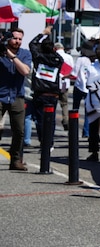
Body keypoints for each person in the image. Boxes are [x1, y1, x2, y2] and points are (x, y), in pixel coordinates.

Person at [0, 28, 33, 170]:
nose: (17, 41)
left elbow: (25, 71)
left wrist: (11, 56)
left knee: (19, 130)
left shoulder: (25, 54)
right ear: (8, 39)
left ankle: (15, 160)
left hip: (16, 95)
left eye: (20, 39)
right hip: (0, 94)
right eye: (14, 38)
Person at [28, 28, 64, 149]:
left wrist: (43, 34)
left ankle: (43, 141)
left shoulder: (39, 57)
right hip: (53, 94)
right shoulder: (58, 60)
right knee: (51, 120)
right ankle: (50, 142)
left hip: (40, 93)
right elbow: (58, 56)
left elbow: (32, 44)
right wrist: (52, 50)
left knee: (39, 120)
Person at [72, 41, 96, 139]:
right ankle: (86, 131)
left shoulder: (81, 59)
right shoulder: (94, 60)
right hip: (89, 87)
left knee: (75, 109)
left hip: (79, 86)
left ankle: (73, 128)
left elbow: (74, 73)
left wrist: (64, 76)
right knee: (88, 111)